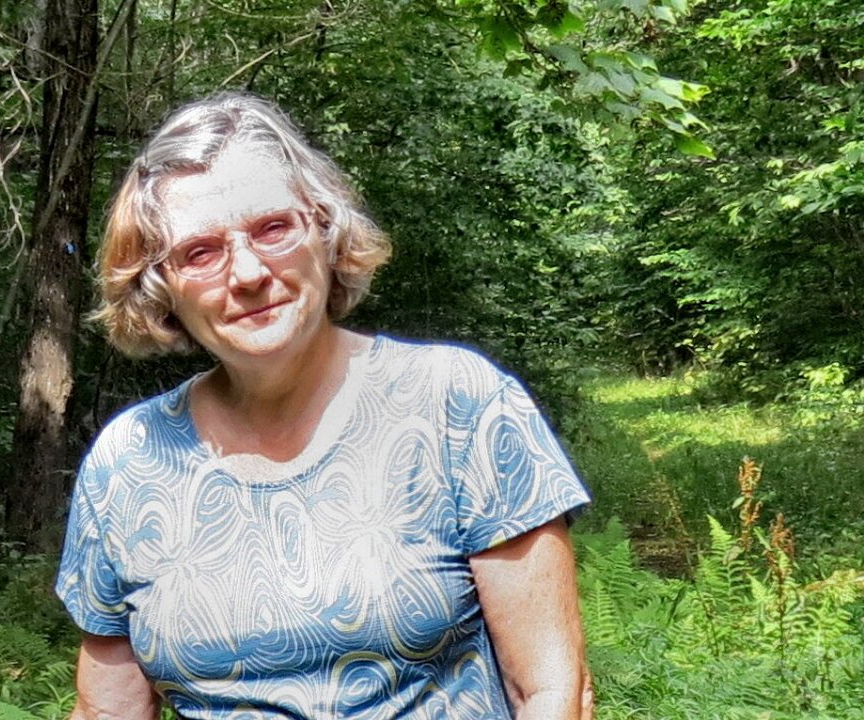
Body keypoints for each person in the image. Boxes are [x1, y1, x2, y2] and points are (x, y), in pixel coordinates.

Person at [52, 91, 595, 720]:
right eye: (201, 252)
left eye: (273, 228)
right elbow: (107, 712)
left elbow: (551, 690)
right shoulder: (129, 461)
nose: (248, 273)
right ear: (160, 286)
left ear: (325, 230)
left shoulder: (456, 403)